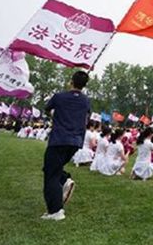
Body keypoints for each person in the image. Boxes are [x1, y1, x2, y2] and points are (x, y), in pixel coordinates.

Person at [41, 71, 91, 221]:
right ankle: (65, 180)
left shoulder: (59, 97)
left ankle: (56, 211)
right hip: (75, 142)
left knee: (51, 175)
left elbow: (47, 109)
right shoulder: (86, 101)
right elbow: (86, 117)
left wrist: (56, 117)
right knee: (51, 169)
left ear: (71, 81)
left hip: (59, 139)